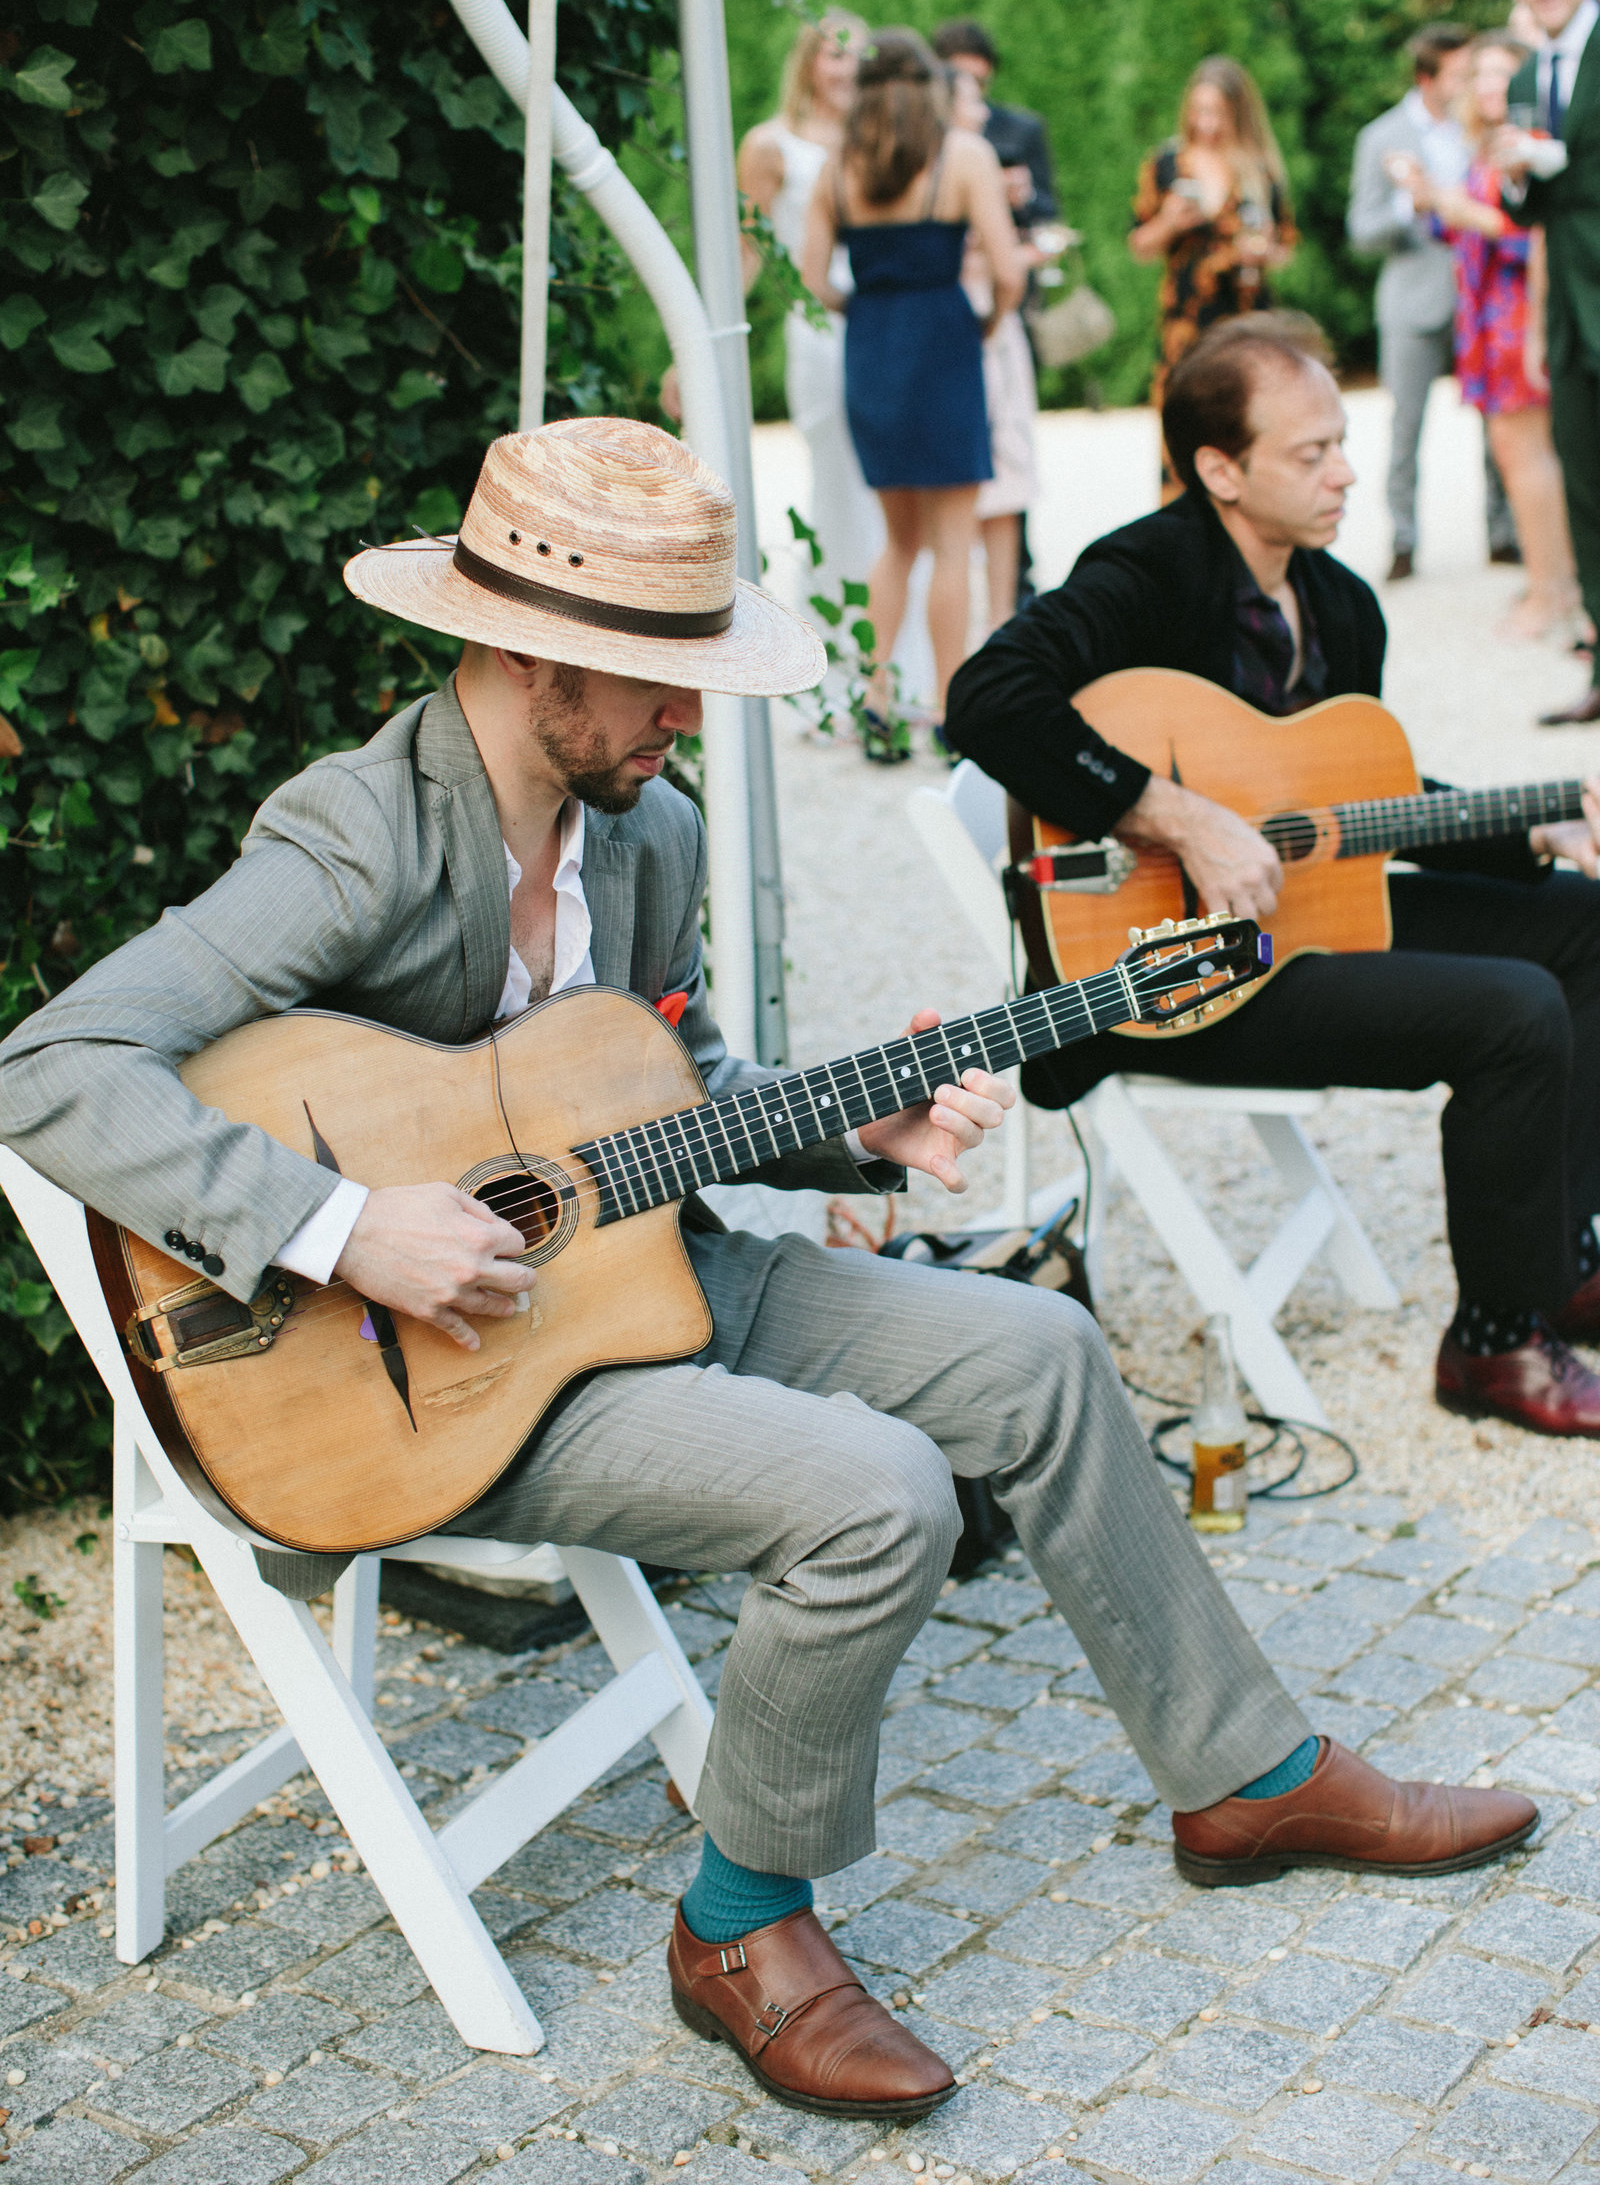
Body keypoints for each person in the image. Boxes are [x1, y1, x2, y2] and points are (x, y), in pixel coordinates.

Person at [0, 416, 1536, 2118]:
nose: (688, 715)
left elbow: (680, 1089)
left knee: (1036, 1352)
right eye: (658, 678)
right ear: (528, 655)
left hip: (639, 1281)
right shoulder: (360, 837)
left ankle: (1247, 1774)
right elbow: (48, 1067)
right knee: (875, 1490)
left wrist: (849, 1133)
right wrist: (346, 1224)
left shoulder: (643, 834)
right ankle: (738, 1925)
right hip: (421, 1385)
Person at [945, 315, 1600, 1440]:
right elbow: (986, 695)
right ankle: (1494, 1341)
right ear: (1221, 470)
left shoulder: (1340, 602)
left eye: (1343, 444)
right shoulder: (1145, 575)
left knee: (1584, 926)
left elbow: (1347, 796)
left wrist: (1527, 829)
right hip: (1172, 969)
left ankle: (1555, 1262)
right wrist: (1178, 815)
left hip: (1303, 923)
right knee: (1511, 1011)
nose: (1345, 472)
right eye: (1312, 454)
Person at [801, 29, 1025, 753]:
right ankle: (953, 712)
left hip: (873, 350)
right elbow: (1009, 270)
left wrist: (862, 310)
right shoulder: (963, 156)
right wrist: (984, 321)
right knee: (954, 547)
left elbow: (811, 279)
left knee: (896, 543)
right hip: (946, 342)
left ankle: (876, 697)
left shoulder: (838, 167)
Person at [1390, 31, 1579, 639]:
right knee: (1514, 457)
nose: (1489, 86)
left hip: (1520, 314)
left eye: (1503, 74)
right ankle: (1549, 582)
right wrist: (1430, 202)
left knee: (1529, 459)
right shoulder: (1484, 149)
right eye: (1481, 75)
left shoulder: (1533, 146)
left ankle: (1555, 590)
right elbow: (1470, 235)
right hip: (1483, 315)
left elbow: (1536, 232)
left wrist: (1462, 209)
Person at [734, 10, 884, 614]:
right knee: (836, 481)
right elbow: (744, 246)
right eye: (833, 52)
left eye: (857, 54)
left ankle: (895, 635)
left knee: (889, 482)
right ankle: (838, 637)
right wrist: (700, 343)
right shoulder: (773, 145)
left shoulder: (882, 139)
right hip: (820, 326)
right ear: (809, 62)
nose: (846, 66)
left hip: (882, 318)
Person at [1494, 0, 1600, 727]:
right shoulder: (1528, 79)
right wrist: (1518, 175)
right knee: (1588, 490)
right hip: (1568, 313)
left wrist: (1562, 164)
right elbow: (1524, 212)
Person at [1129, 55, 1296, 499]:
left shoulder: (1259, 170)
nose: (1206, 124)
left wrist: (1262, 252)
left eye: (1217, 113)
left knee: (1245, 429)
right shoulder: (1166, 164)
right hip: (1187, 322)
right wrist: (1169, 223)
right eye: (1199, 111)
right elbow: (1139, 246)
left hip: (1246, 317)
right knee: (1182, 431)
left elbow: (1285, 244)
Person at [1347, 25, 1479, 582]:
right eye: (1460, 73)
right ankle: (1404, 541)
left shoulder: (1481, 129)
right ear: (1428, 78)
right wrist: (1409, 204)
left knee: (1500, 422)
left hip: (1479, 297)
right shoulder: (1382, 137)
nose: (1471, 82)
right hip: (1412, 299)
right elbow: (1362, 231)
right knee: (1406, 426)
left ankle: (1504, 533)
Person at [949, 63, 1039, 635]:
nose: (984, 110)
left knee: (1002, 480)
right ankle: (999, 624)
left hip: (981, 327)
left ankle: (997, 624)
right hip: (981, 325)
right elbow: (988, 265)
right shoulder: (962, 161)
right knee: (999, 476)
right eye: (972, 99)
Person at [931, 16, 1058, 232]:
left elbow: (1049, 214)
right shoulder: (917, 133)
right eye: (960, 78)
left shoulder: (1021, 129)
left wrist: (1025, 194)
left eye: (980, 82)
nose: (971, 89)